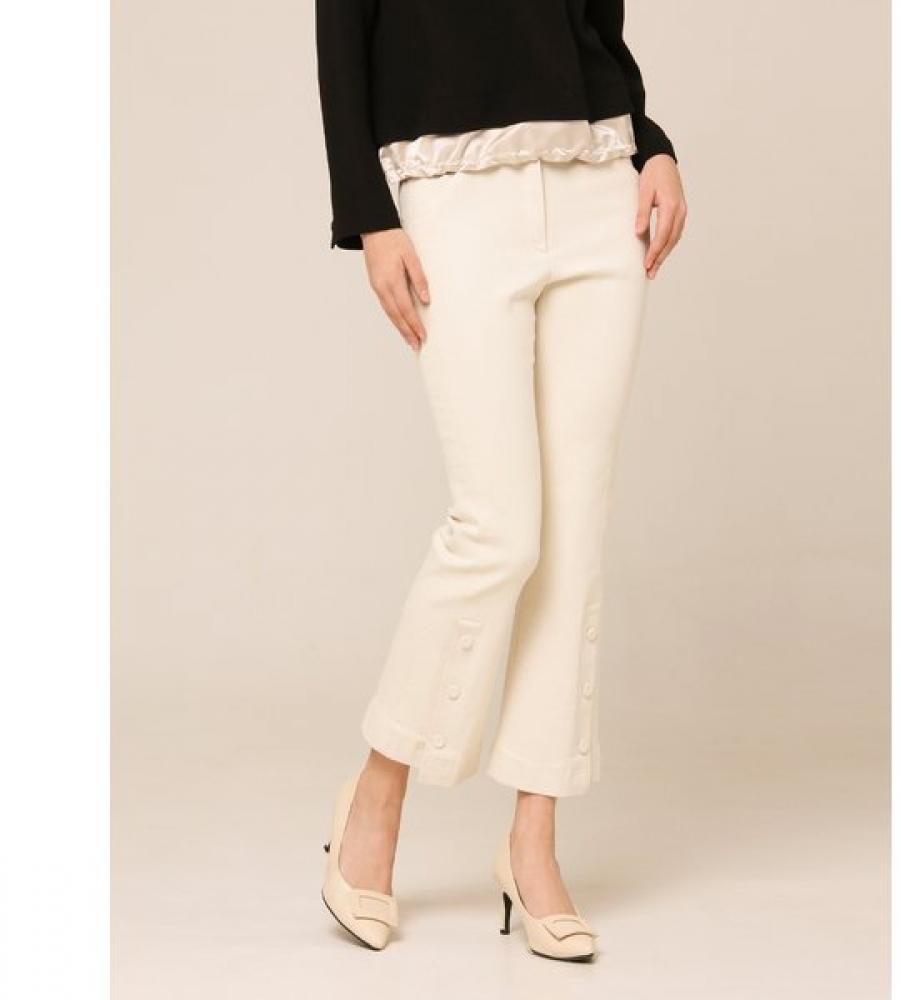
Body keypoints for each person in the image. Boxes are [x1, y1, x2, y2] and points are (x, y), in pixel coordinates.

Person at [315, 0, 686, 961]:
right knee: (500, 528)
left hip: (597, 181)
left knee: (572, 540)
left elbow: (595, 22)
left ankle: (533, 842)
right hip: (452, 186)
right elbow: (342, 29)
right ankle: (376, 793)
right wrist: (368, 214)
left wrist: (650, 145)